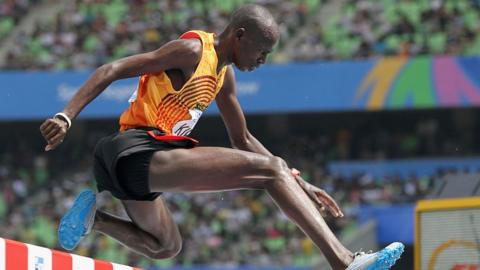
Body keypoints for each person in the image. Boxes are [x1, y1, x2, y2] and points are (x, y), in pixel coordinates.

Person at [40, 4, 403, 270]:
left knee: (166, 246)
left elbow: (242, 138)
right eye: (261, 51)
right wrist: (66, 115)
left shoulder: (224, 78)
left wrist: (301, 183)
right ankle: (344, 261)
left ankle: (96, 219)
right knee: (272, 170)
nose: (263, 60)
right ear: (239, 35)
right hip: (134, 149)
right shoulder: (194, 51)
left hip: (136, 169)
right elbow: (113, 68)